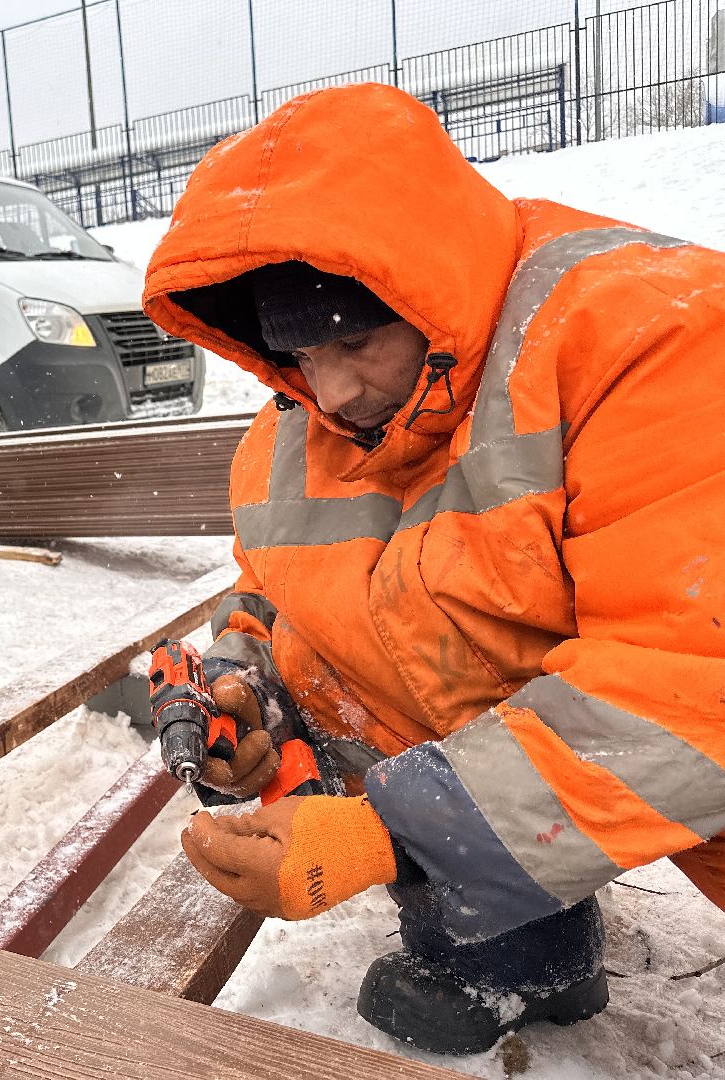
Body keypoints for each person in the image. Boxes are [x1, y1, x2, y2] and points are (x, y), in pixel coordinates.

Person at [142, 82, 725, 1055]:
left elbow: (694, 678)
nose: (328, 390)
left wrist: (392, 834)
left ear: (426, 289)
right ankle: (516, 947)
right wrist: (244, 682)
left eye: (356, 340)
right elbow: (278, 586)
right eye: (293, 354)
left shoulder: (655, 335)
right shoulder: (299, 425)